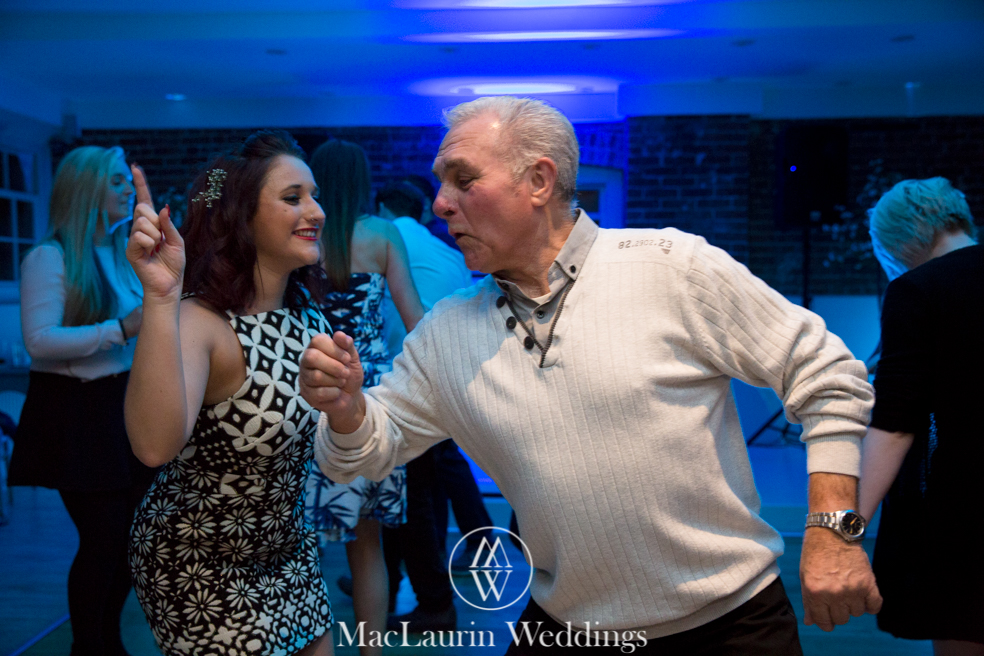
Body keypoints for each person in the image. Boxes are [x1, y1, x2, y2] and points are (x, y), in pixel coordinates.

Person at [300, 96, 879, 655]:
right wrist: (347, 410)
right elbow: (358, 454)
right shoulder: (447, 333)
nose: (442, 202)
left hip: (729, 626)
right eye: (441, 182)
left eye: (462, 179)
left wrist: (832, 529)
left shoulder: (671, 268)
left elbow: (826, 372)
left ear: (539, 181)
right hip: (567, 626)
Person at [124, 130, 333, 655]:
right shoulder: (203, 322)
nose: (316, 210)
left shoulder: (308, 316)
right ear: (242, 218)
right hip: (198, 562)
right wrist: (160, 297)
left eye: (314, 194)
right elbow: (153, 447)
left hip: (288, 547)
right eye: (292, 198)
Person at [7, 145, 156, 656]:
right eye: (115, 180)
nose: (125, 189)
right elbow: (40, 340)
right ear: (87, 187)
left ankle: (103, 640)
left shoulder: (118, 253)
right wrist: (118, 329)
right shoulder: (48, 256)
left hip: (121, 405)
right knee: (104, 537)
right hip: (74, 413)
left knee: (134, 539)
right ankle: (92, 646)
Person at [303, 139, 423, 655]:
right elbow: (417, 320)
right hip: (367, 392)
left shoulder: (302, 235)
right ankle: (370, 652)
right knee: (367, 544)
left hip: (306, 384)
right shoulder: (382, 234)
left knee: (297, 542)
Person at [858, 177, 983, 655]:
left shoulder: (916, 290)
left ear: (899, 240)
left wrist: (845, 531)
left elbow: (895, 424)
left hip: (961, 513)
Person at [373, 180, 489, 632]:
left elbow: (395, 318)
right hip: (454, 372)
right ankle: (426, 574)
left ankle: (425, 589)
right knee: (435, 476)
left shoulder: (383, 239)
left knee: (415, 489)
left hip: (408, 374)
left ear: (383, 206)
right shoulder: (447, 252)